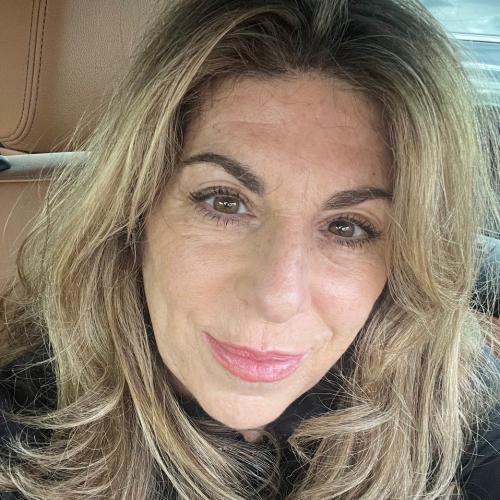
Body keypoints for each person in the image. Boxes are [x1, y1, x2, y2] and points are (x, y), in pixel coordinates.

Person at [1, 0, 500, 498]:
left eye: (348, 227)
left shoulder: (456, 407)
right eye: (224, 202)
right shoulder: (20, 435)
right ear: (134, 213)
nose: (276, 298)